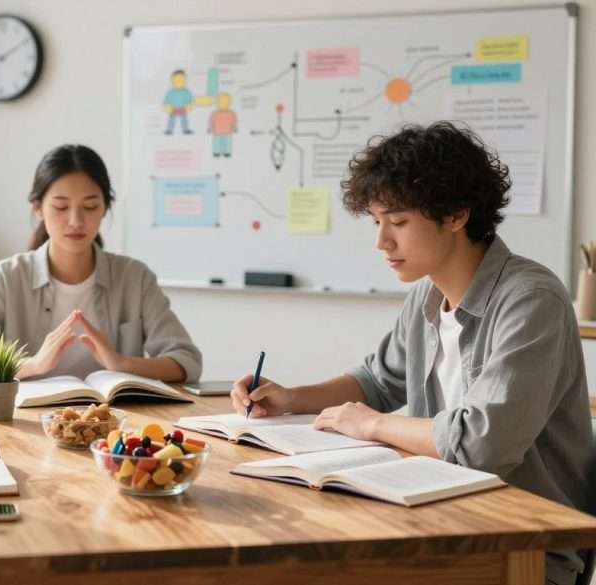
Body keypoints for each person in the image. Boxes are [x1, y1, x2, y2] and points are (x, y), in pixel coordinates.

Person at [230, 121, 592, 585]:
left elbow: (483, 444)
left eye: (398, 222)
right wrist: (291, 397)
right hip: (439, 516)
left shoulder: (530, 299)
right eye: (377, 222)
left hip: (523, 544)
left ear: (457, 214)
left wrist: (373, 424)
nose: (382, 241)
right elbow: (378, 381)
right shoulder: (426, 297)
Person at [0, 144, 201, 383]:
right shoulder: (5, 278)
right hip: (25, 424)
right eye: (61, 207)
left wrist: (122, 363)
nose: (75, 220)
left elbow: (186, 360)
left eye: (89, 206)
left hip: (117, 426)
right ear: (38, 208)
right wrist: (31, 365)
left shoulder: (135, 277)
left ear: (105, 209)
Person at [163, 70, 194, 135]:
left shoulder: (186, 91)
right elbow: (166, 100)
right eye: (177, 80)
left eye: (182, 80)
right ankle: (169, 130)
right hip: (173, 108)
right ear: (172, 81)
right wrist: (167, 105)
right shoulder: (170, 92)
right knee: (171, 119)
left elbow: (189, 99)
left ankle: (185, 130)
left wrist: (189, 105)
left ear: (185, 80)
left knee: (184, 119)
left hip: (182, 108)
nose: (179, 82)